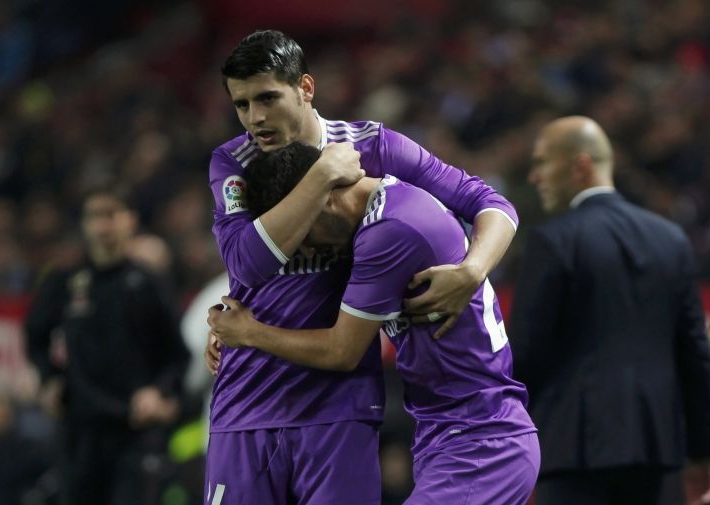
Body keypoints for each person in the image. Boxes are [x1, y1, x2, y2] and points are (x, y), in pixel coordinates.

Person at [205, 29, 519, 504]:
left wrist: (473, 270)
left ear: (305, 88)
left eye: (267, 98)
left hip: (340, 402)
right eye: (242, 105)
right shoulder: (233, 161)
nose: (256, 118)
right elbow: (246, 264)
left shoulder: (374, 145)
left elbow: (488, 201)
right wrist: (322, 175)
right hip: (249, 394)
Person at [508, 116, 710, 505]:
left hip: (573, 450)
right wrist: (704, 452)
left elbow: (524, 356)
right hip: (657, 450)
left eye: (542, 162)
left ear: (581, 165)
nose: (535, 177)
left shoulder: (553, 241)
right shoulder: (671, 239)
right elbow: (694, 357)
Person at [24, 186, 189, 505]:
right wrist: (49, 378)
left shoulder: (148, 282)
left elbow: (177, 355)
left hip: (134, 429)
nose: (102, 225)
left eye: (111, 214)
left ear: (130, 220)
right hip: (80, 427)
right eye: (94, 216)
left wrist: (159, 391)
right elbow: (35, 335)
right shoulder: (65, 280)